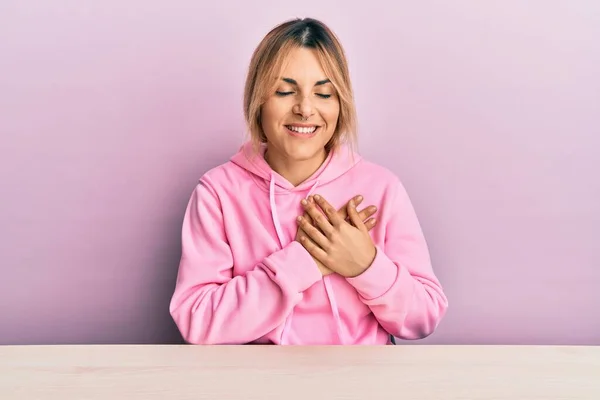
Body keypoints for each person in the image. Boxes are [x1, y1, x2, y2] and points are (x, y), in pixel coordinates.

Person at [169, 17, 448, 345]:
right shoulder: (217, 193)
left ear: (340, 104)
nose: (305, 109)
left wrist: (365, 265)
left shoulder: (382, 188)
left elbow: (424, 317)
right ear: (258, 100)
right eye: (285, 91)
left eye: (324, 94)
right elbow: (197, 321)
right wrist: (306, 260)